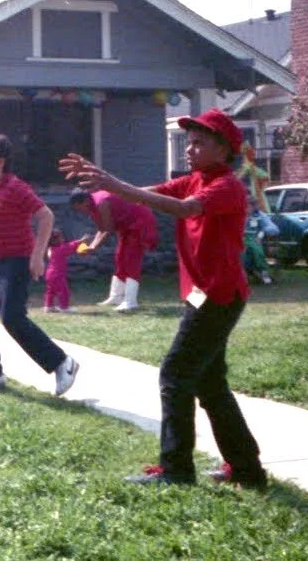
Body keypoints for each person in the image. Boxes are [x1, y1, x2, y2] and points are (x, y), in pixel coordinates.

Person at [59, 108, 267, 491]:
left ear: (223, 150)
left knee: (175, 375)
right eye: (188, 142)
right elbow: (146, 197)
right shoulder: (196, 179)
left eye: (200, 142)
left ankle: (177, 470)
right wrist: (104, 185)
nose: (190, 149)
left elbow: (185, 208)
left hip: (219, 295)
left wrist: (112, 183)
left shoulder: (224, 187)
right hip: (204, 295)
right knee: (210, 384)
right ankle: (247, 469)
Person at [0, 133, 78, 396]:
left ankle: (62, 363)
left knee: (13, 318)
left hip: (15, 262)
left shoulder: (16, 188)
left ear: (0, 162)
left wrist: (37, 257)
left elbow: (45, 216)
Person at [69, 187, 159, 312]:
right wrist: (91, 247)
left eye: (79, 208)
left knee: (131, 259)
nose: (80, 212)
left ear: (84, 201)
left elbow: (108, 229)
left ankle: (130, 301)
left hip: (140, 222)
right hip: (126, 226)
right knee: (120, 258)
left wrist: (93, 247)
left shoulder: (102, 203)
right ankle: (116, 297)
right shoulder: (92, 206)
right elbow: (101, 229)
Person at [44, 230, 87, 313]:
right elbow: (70, 247)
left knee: (50, 291)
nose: (63, 239)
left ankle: (48, 306)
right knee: (64, 291)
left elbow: (67, 247)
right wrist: (81, 241)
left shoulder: (51, 249)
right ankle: (64, 307)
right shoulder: (60, 249)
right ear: (54, 240)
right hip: (57, 275)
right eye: (60, 238)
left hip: (49, 274)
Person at [242, 197, 279, 285]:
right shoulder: (239, 215)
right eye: (245, 206)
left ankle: (263, 271)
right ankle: (243, 274)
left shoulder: (259, 215)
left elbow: (270, 228)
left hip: (254, 237)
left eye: (249, 206)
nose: (247, 209)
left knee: (257, 251)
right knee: (241, 251)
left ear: (254, 207)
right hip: (240, 237)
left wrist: (260, 236)